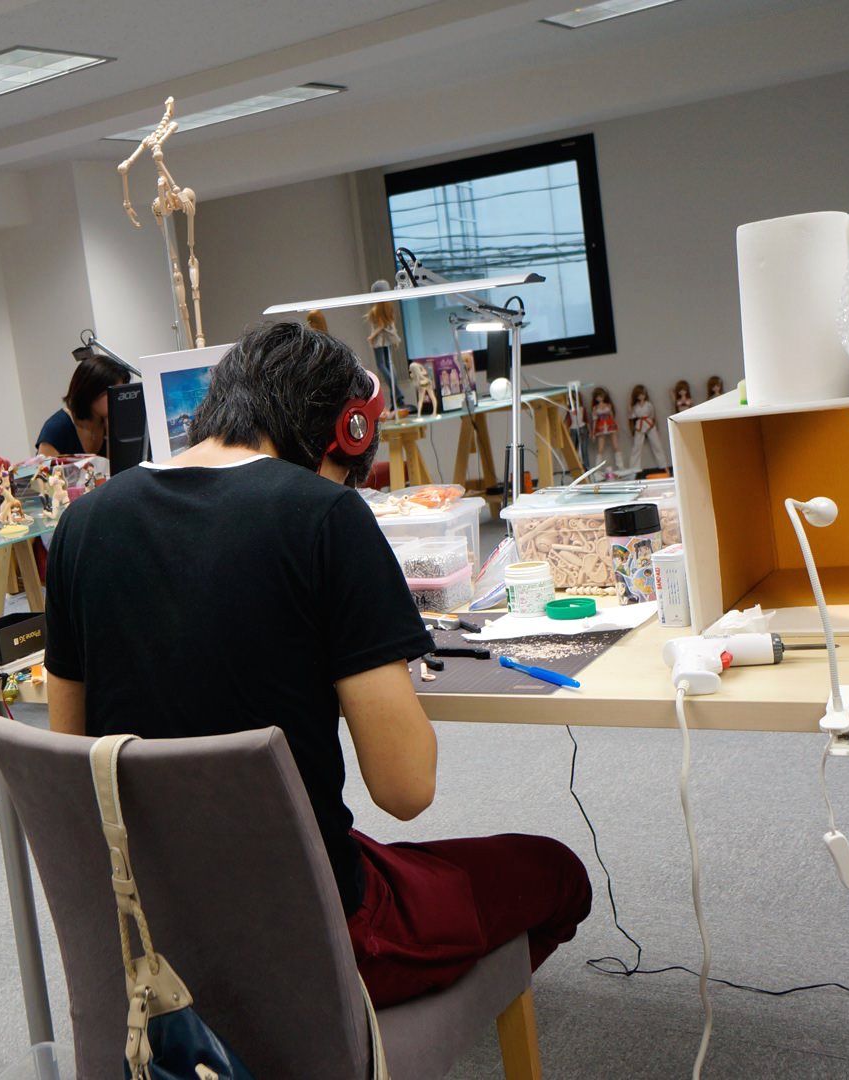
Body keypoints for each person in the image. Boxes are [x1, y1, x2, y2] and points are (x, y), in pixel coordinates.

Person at [42, 322, 590, 1006]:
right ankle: (374, 1032)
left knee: (369, 852)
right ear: (345, 433)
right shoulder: (324, 514)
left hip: (149, 932)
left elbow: (70, 765)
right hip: (310, 936)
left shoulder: (81, 525)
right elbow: (406, 790)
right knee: (555, 873)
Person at [35, 348, 131, 457]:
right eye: (110, 392)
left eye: (119, 392)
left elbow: (119, 465)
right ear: (90, 391)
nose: (117, 398)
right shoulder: (57, 427)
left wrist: (111, 431)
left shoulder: (109, 420)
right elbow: (43, 467)